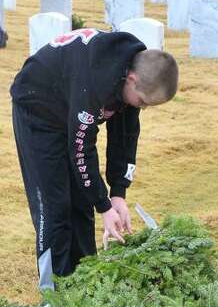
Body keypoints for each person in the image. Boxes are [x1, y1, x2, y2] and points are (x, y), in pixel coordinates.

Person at [10, 26, 179, 283]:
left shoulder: (128, 73)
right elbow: (81, 149)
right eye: (143, 102)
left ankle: (84, 281)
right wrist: (104, 205)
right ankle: (53, 292)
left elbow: (125, 136)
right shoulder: (95, 80)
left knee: (81, 203)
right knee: (54, 207)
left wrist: (118, 194)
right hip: (38, 111)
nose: (141, 107)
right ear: (132, 79)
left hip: (70, 106)